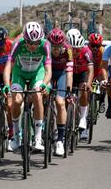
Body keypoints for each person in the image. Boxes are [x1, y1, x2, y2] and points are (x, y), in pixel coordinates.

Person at [3, 21, 52, 152]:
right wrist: (7, 85)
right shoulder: (17, 44)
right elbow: (8, 67)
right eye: (29, 42)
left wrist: (44, 84)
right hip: (19, 73)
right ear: (24, 38)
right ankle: (16, 136)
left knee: (37, 95)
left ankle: (37, 137)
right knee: (17, 100)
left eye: (36, 43)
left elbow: (48, 70)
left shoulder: (46, 45)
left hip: (37, 73)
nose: (32, 46)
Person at [47, 28, 73, 156]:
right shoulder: (45, 47)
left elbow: (69, 71)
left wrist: (68, 89)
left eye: (58, 47)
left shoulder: (68, 50)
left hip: (62, 73)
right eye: (53, 47)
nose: (56, 50)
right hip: (49, 73)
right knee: (42, 96)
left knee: (60, 102)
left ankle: (60, 141)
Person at [66, 29, 94, 140]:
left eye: (78, 50)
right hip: (70, 72)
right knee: (66, 95)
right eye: (73, 50)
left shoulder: (87, 51)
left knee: (84, 89)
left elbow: (91, 69)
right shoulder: (66, 51)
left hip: (82, 73)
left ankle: (83, 118)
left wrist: (89, 83)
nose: (75, 52)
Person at [88, 33, 106, 112]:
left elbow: (106, 65)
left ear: (101, 45)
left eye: (97, 46)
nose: (95, 48)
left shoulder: (103, 51)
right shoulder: (86, 49)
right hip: (89, 70)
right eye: (93, 45)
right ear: (89, 44)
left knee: (104, 81)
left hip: (99, 70)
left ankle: (102, 101)